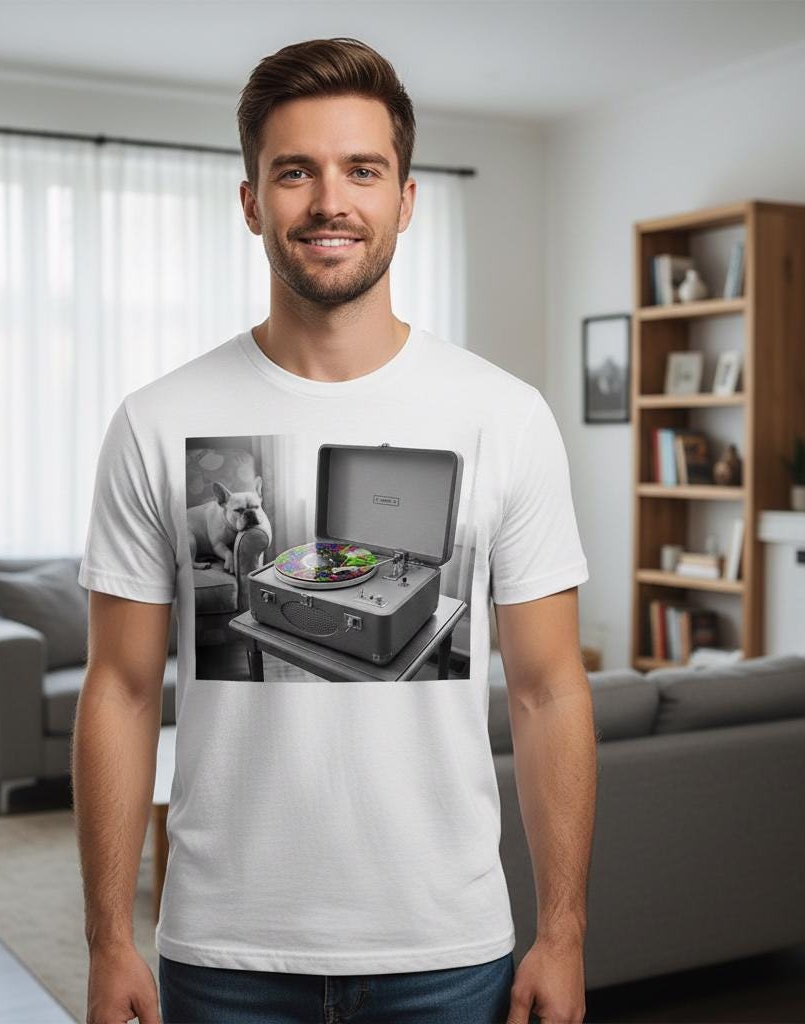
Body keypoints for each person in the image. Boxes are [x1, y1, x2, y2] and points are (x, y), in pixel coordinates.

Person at [73, 36, 596, 1024]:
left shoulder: (506, 415)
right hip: (221, 948)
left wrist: (562, 932)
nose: (328, 202)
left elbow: (547, 688)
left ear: (404, 199)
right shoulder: (154, 419)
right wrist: (107, 937)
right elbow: (123, 686)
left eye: (362, 169)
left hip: (446, 948)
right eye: (294, 171)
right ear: (250, 202)